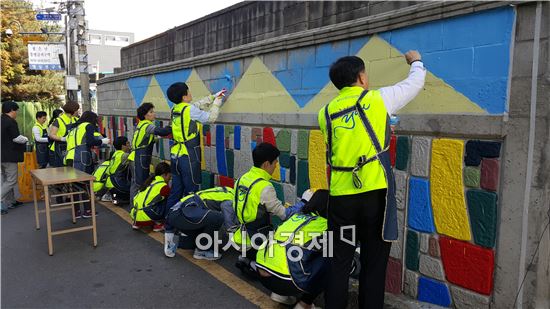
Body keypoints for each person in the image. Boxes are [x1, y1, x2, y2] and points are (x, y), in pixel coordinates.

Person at [318, 51, 425, 308]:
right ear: (361, 77)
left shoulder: (324, 112)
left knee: (337, 261)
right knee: (374, 264)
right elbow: (414, 84)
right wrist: (416, 61)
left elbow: (343, 144)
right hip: (374, 198)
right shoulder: (378, 100)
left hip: (340, 200)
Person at [232, 142, 305, 275]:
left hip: (240, 235)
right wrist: (304, 202)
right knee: (282, 260)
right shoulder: (264, 187)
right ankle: (254, 264)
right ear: (266, 164)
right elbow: (284, 215)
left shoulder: (241, 179)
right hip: (256, 238)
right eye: (275, 163)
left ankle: (245, 258)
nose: (276, 166)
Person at [255, 189, 330, 309]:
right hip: (285, 282)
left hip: (261, 274)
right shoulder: (324, 224)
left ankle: (280, 296)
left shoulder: (296, 217)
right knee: (330, 259)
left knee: (289, 250)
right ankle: (305, 304)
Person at [165, 82, 226, 209]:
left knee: (176, 191)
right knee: (191, 192)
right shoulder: (190, 110)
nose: (190, 93)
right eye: (188, 91)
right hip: (188, 156)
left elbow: (196, 106)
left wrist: (213, 96)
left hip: (175, 155)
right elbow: (211, 118)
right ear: (184, 96)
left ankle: (169, 226)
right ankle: (189, 223)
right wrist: (217, 101)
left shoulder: (175, 109)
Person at [163, 186, 235, 260]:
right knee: (218, 218)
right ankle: (201, 251)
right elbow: (229, 227)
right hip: (183, 213)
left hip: (176, 212)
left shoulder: (228, 190)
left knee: (192, 243)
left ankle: (179, 239)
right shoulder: (231, 201)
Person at [65, 111, 110, 218]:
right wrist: (103, 141)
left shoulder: (74, 128)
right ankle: (88, 211)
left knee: (74, 186)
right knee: (86, 184)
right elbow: (90, 142)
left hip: (69, 158)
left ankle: (76, 212)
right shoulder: (88, 126)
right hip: (82, 157)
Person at [128, 103, 172, 204]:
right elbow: (161, 131)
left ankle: (134, 207)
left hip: (134, 158)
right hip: (139, 159)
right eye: (151, 112)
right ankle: (137, 207)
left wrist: (158, 138)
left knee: (135, 184)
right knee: (140, 184)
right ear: (145, 115)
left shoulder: (141, 124)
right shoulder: (147, 125)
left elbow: (146, 140)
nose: (154, 114)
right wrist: (172, 126)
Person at [1, 101, 27, 215]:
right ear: (11, 110)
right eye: (16, 110)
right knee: (11, 180)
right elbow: (16, 138)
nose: (16, 113)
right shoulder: (10, 122)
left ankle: (11, 201)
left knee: (6, 180)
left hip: (1, 155)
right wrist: (25, 139)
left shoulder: (1, 119)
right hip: (9, 156)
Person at [130, 162, 171, 232]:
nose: (170, 179)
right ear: (164, 174)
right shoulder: (163, 186)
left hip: (134, 215)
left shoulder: (150, 181)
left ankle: (138, 224)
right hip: (146, 217)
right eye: (169, 176)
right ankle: (158, 224)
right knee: (169, 200)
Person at [48, 101, 80, 167]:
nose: (78, 112)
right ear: (73, 111)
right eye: (77, 110)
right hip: (58, 150)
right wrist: (63, 139)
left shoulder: (76, 120)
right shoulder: (58, 120)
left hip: (70, 149)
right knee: (60, 172)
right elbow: (51, 135)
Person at [105, 136, 131, 205]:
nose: (129, 144)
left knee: (116, 197)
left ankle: (115, 198)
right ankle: (119, 199)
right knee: (132, 192)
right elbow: (135, 157)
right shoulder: (124, 155)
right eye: (128, 143)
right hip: (117, 184)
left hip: (110, 184)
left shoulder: (115, 153)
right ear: (123, 145)